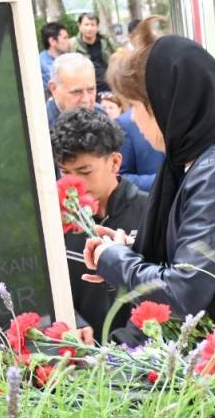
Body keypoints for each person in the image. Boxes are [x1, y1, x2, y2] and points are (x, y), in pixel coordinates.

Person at [83, 17, 215, 325]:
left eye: (136, 106)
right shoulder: (207, 159)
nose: (133, 121)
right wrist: (126, 251)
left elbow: (182, 293)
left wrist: (113, 259)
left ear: (168, 107)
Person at [50, 108, 148, 337]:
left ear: (114, 162)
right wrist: (72, 320)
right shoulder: (55, 223)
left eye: (85, 171)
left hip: (140, 357)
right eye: (65, 172)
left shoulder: (150, 214)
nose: (74, 183)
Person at [46, 53, 98, 129]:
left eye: (90, 90)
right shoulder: (40, 128)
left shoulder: (101, 114)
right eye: (77, 92)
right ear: (53, 88)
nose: (86, 100)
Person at [72, 13, 118, 95]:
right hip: (86, 86)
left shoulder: (106, 41)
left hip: (109, 83)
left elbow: (117, 57)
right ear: (80, 26)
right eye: (86, 25)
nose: (89, 28)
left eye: (92, 25)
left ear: (97, 27)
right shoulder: (73, 45)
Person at [39, 21, 71, 94]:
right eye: (65, 38)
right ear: (52, 41)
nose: (69, 41)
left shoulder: (67, 58)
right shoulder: (43, 63)